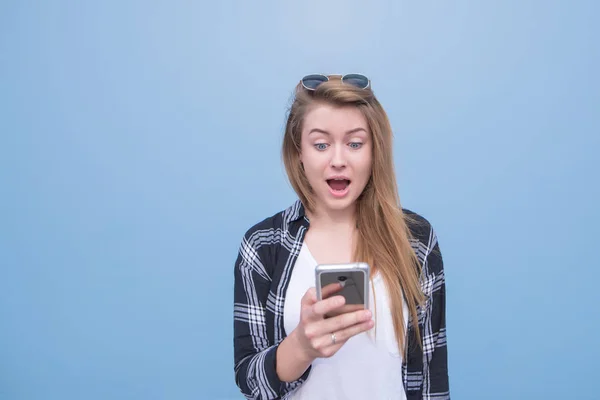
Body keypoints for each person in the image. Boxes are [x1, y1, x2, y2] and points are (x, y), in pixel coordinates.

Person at [233, 74, 449, 400]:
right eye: (321, 144)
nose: (338, 160)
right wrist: (302, 346)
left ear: (375, 151)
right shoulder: (263, 246)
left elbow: (432, 381)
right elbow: (251, 383)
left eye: (354, 143)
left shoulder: (416, 240)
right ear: (299, 153)